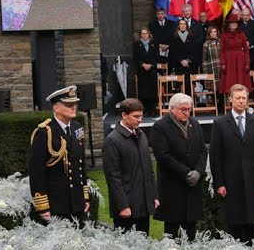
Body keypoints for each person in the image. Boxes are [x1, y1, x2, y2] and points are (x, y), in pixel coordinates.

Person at [209, 84, 254, 242]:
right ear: (230, 100)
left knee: (252, 220)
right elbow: (215, 156)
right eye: (238, 98)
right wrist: (219, 183)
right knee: (234, 221)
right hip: (231, 180)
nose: (241, 101)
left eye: (244, 98)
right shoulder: (220, 123)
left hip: (252, 178)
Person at [149, 93, 206, 240]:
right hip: (172, 186)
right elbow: (163, 156)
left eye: (189, 109)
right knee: (172, 231)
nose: (187, 112)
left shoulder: (195, 124)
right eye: (183, 109)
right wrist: (186, 173)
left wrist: (198, 172)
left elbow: (202, 150)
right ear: (172, 109)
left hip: (192, 187)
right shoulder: (160, 127)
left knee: (191, 230)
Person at [29, 86, 90, 223]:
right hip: (56, 204)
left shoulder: (76, 128)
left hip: (77, 203)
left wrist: (84, 196)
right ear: (56, 108)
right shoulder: (45, 133)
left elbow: (80, 165)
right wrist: (43, 206)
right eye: (68, 105)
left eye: (75, 104)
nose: (74, 107)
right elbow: (37, 172)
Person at [102, 98, 159, 234]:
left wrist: (153, 196)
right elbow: (113, 177)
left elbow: (149, 169)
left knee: (143, 246)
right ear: (124, 115)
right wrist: (122, 206)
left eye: (141, 116)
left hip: (143, 204)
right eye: (136, 116)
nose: (140, 120)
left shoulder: (141, 135)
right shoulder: (112, 140)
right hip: (126, 207)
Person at [219, 14, 251, 101]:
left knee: (241, 80)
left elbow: (246, 49)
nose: (234, 25)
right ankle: (230, 101)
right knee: (230, 80)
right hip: (229, 60)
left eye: (235, 23)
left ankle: (242, 100)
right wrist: (223, 63)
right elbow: (222, 51)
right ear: (229, 25)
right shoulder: (224, 35)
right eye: (232, 23)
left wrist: (247, 62)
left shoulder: (242, 34)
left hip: (240, 60)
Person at [133, 27, 163, 116]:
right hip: (142, 71)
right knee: (143, 90)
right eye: (143, 34)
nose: (145, 35)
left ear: (149, 34)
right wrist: (143, 64)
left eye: (146, 33)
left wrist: (151, 64)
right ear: (140, 35)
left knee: (152, 90)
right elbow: (136, 57)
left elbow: (157, 56)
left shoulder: (154, 44)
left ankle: (152, 109)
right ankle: (144, 110)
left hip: (152, 70)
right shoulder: (136, 45)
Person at [200, 25, 222, 111]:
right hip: (211, 68)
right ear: (209, 34)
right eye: (211, 32)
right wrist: (206, 71)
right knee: (213, 89)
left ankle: (221, 105)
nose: (213, 33)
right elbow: (204, 59)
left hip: (220, 68)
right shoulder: (206, 44)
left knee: (221, 88)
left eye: (215, 32)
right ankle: (214, 105)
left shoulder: (221, 42)